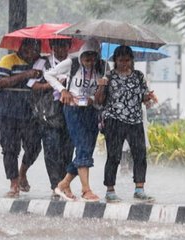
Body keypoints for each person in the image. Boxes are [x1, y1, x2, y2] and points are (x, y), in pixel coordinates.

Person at [44, 38, 105, 202]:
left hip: (92, 111)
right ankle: (86, 190)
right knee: (82, 147)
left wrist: (96, 94)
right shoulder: (71, 63)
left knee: (86, 150)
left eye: (94, 58)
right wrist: (63, 89)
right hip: (73, 109)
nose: (90, 62)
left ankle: (63, 184)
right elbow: (48, 74)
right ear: (81, 55)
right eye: (87, 57)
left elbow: (101, 94)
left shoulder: (103, 67)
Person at [95, 45, 158, 202]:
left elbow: (143, 97)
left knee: (140, 154)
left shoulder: (138, 76)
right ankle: (110, 190)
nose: (124, 63)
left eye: (127, 60)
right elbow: (99, 101)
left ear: (132, 60)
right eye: (121, 60)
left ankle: (139, 188)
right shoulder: (108, 77)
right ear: (115, 60)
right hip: (114, 120)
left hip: (135, 120)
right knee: (114, 156)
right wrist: (101, 86)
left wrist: (148, 97)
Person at [19, 39, 74, 199]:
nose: (60, 49)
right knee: (51, 149)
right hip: (48, 113)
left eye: (63, 45)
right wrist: (54, 85)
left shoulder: (74, 63)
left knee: (67, 150)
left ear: (69, 47)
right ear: (51, 47)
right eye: (56, 45)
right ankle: (55, 186)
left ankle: (65, 184)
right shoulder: (43, 63)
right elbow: (32, 85)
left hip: (70, 112)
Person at [0, 38, 43, 197]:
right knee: (10, 148)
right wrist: (25, 75)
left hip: (30, 112)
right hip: (7, 112)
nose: (31, 53)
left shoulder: (40, 63)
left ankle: (23, 172)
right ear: (21, 48)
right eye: (28, 49)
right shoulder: (8, 60)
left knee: (35, 146)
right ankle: (14, 183)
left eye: (35, 50)